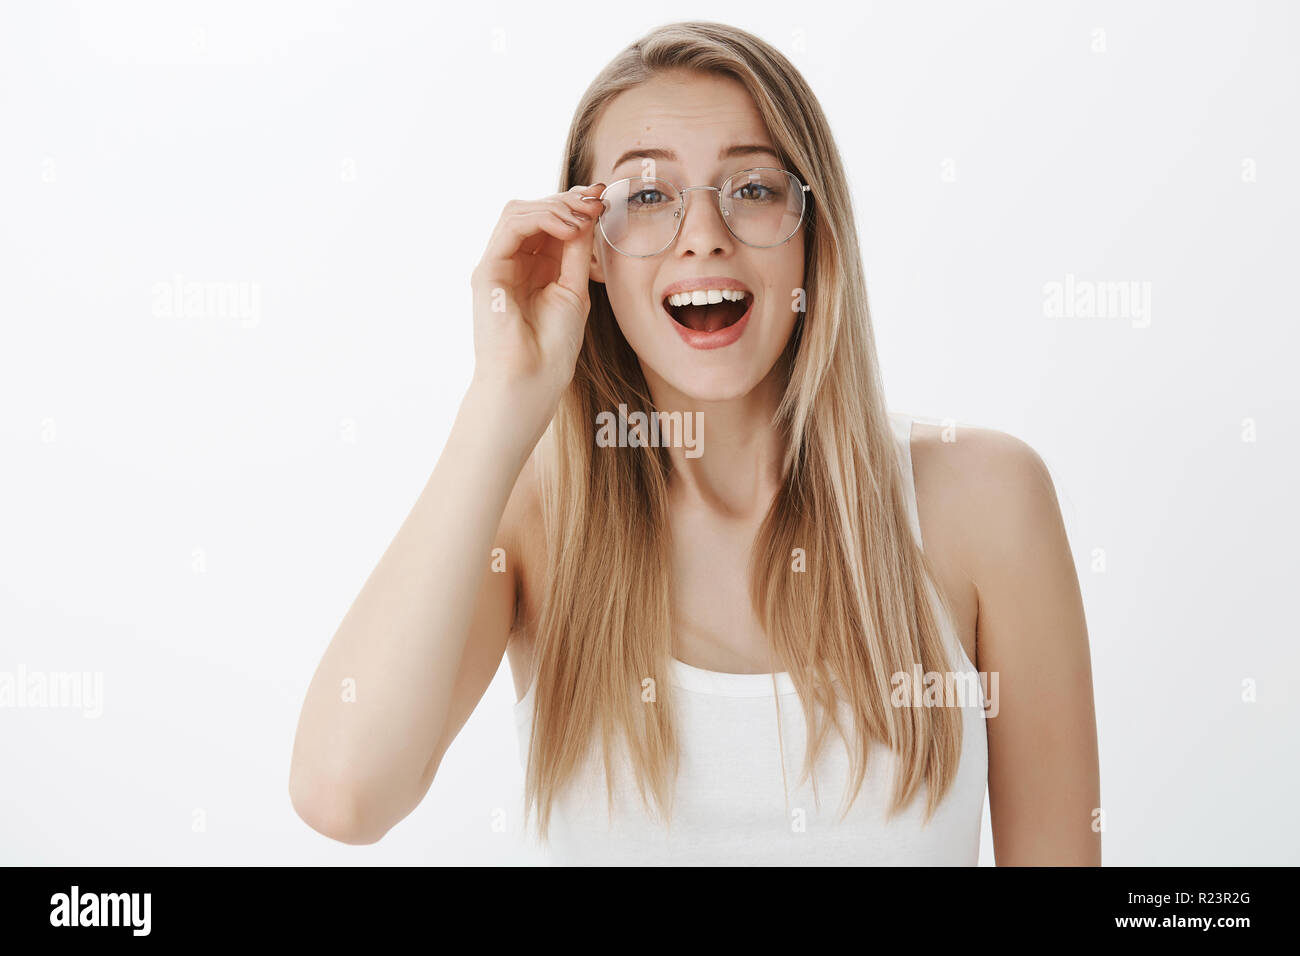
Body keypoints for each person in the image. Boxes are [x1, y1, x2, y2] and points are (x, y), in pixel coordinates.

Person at [289, 20, 1100, 865]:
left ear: (814, 230)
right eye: (646, 196)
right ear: (589, 253)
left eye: (751, 188)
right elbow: (343, 794)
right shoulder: (535, 518)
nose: (703, 233)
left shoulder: (987, 501)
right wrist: (500, 398)